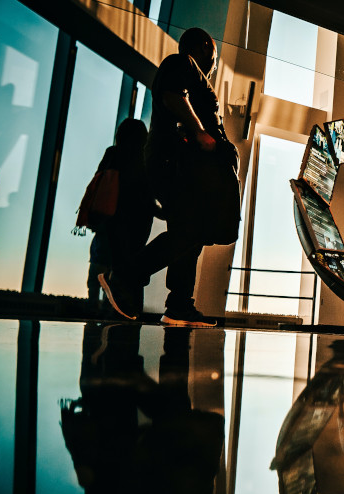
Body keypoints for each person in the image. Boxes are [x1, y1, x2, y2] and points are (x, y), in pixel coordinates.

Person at [99, 27, 239, 327]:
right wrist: (200, 132)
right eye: (214, 55)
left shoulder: (190, 73)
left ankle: (179, 305)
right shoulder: (182, 63)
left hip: (184, 168)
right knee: (191, 230)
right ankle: (126, 275)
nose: (214, 63)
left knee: (191, 235)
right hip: (174, 164)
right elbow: (172, 94)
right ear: (204, 47)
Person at [86, 119, 155, 311]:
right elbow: (148, 194)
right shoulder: (145, 158)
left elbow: (99, 183)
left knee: (99, 266)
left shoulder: (113, 153)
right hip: (136, 225)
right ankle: (127, 312)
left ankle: (93, 310)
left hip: (109, 221)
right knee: (131, 270)